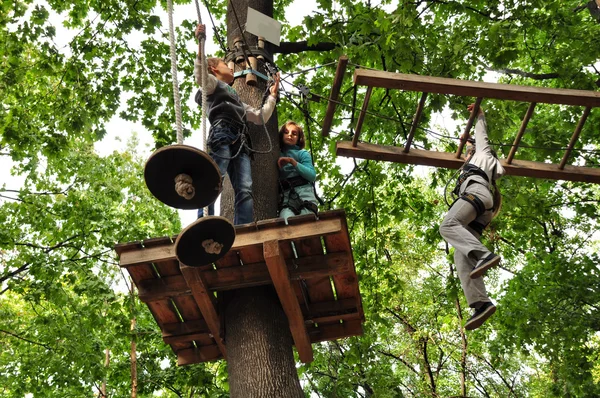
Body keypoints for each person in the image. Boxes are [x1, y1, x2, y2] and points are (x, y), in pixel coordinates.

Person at [193, 24, 280, 225]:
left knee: (245, 188)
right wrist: (200, 45)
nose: (231, 67)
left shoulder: (237, 101)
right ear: (214, 69)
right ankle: (205, 219)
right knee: (215, 177)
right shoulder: (213, 85)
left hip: (241, 142)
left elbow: (259, 117)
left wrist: (272, 97)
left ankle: (243, 227)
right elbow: (201, 76)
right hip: (222, 132)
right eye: (225, 64)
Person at [439, 103, 505, 331]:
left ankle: (484, 255)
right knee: (460, 254)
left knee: (448, 226)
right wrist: (465, 145)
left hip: (476, 195)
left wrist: (479, 115)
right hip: (480, 207)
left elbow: (481, 136)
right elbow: (469, 152)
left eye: (469, 152)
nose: (466, 157)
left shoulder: (484, 154)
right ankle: (481, 303)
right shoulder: (475, 166)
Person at [277, 121, 318, 223]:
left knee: (306, 226)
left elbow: (311, 176)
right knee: (286, 223)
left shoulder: (302, 154)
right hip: (286, 198)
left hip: (305, 195)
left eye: (294, 133)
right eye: (286, 132)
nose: (290, 135)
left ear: (298, 138)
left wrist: (293, 162)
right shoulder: (276, 153)